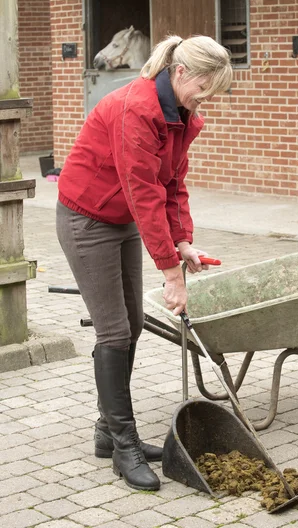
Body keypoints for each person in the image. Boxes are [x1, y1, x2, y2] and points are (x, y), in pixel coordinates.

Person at [56, 34, 233, 492]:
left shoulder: (178, 115)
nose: (206, 99)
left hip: (122, 219)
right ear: (181, 72)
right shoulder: (137, 110)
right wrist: (171, 273)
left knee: (131, 324)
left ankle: (106, 433)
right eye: (205, 87)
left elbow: (171, 186)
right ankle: (125, 445)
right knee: (113, 331)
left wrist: (184, 241)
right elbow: (142, 191)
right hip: (87, 218)